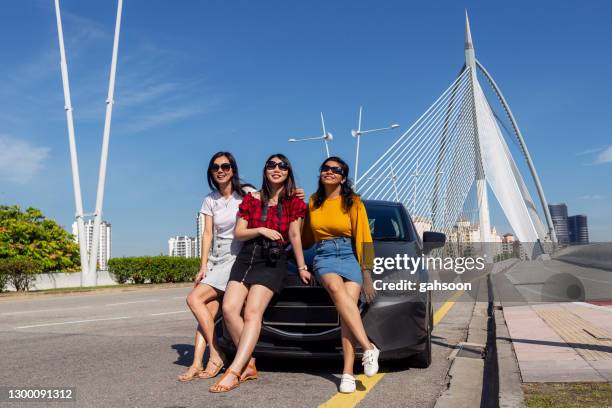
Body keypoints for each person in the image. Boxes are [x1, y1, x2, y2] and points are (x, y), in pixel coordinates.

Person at [209, 154, 309, 393]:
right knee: (230, 309)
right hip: (247, 256)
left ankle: (234, 370)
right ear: (265, 171)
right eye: (271, 165)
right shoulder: (252, 199)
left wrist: (302, 266)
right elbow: (240, 233)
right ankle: (250, 362)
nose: (276, 169)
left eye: (282, 166)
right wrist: (262, 229)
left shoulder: (294, 202)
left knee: (253, 312)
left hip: (273, 260)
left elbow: (295, 236)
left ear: (288, 172)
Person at [301, 156, 379, 394]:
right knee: (336, 290)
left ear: (343, 178)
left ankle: (347, 373)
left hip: (349, 255)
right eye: (325, 168)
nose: (329, 172)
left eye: (336, 170)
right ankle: (369, 347)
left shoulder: (352, 202)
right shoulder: (313, 202)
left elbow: (364, 237)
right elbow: (306, 239)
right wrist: (297, 212)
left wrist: (366, 274)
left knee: (347, 315)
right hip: (324, 255)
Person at [178, 152, 255, 381]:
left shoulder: (247, 194)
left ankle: (216, 354)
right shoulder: (210, 199)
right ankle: (196, 363)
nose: (220, 170)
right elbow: (208, 233)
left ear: (233, 169)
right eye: (215, 167)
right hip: (216, 258)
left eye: (225, 166)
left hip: (235, 255)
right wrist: (203, 266)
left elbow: (272, 199)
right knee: (208, 312)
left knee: (194, 299)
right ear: (211, 171)